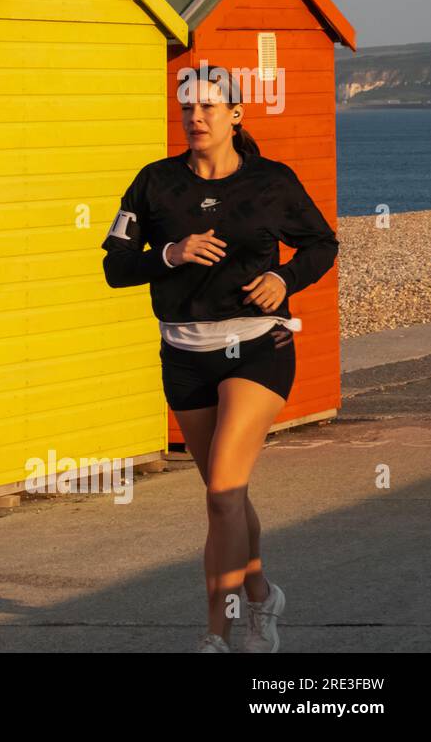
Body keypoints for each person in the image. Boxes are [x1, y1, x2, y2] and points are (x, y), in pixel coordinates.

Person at [100, 64, 339, 652]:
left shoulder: (271, 182)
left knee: (222, 494)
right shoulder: (154, 184)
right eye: (188, 108)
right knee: (226, 497)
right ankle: (261, 595)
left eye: (209, 107)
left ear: (235, 115)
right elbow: (114, 268)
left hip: (258, 346)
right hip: (184, 354)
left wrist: (284, 280)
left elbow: (322, 243)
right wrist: (171, 253)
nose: (196, 117)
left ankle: (217, 636)